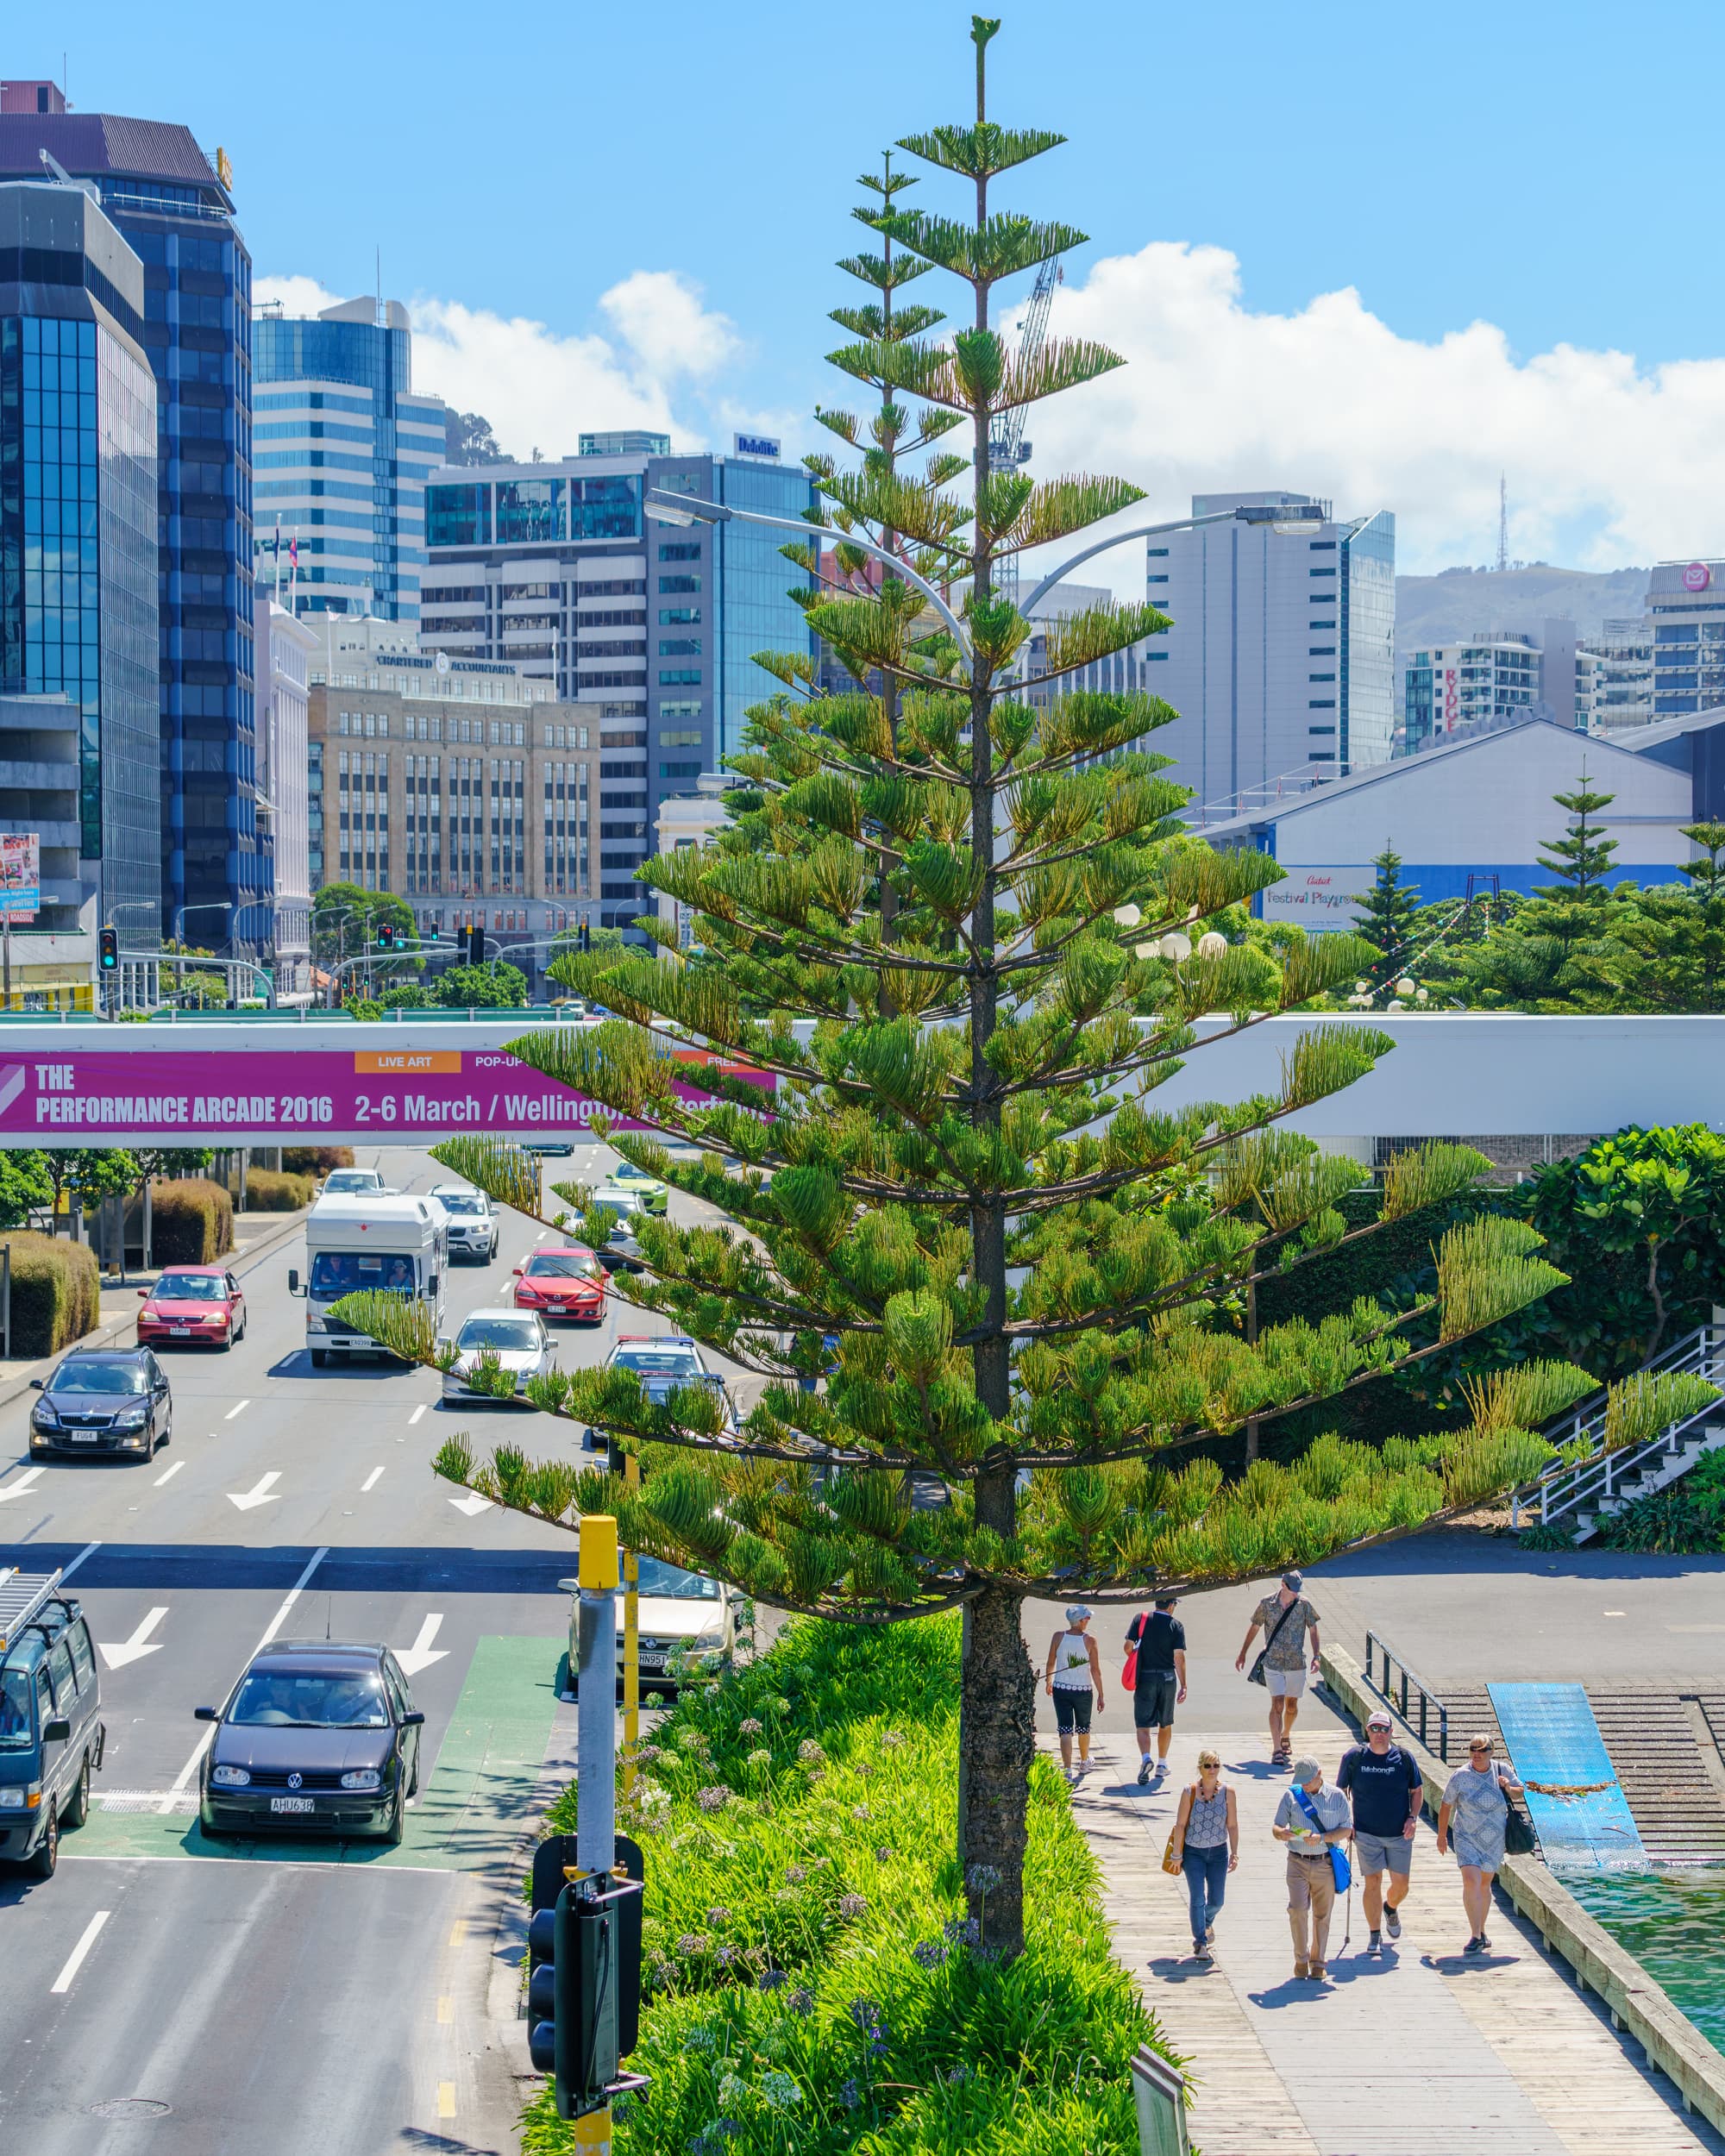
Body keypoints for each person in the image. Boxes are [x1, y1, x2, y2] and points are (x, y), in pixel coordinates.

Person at [1338, 1708, 1424, 1952]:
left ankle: (1390, 1908)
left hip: (1399, 1833)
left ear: (1391, 1732)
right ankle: (1374, 1934)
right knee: (1372, 1882)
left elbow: (1417, 1791)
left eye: (1383, 1729)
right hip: (1366, 1833)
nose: (1379, 1733)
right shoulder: (1354, 1757)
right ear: (1368, 1730)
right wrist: (1346, 1823)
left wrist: (1413, 1818)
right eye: (1374, 1728)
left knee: (1401, 1886)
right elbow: (1340, 1793)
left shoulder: (1404, 1758)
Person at [1437, 1733, 1525, 1956]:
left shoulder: (1501, 1769)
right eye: (1472, 1749)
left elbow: (1519, 1792)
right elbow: (1446, 1804)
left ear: (1491, 1752)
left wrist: (1507, 1787)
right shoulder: (1460, 1775)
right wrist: (1441, 1835)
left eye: (1481, 1749)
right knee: (1471, 1880)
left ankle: (1481, 1930)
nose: (1476, 1754)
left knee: (1484, 1885)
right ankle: (1475, 1935)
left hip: (1494, 1838)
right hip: (1466, 1836)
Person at [1272, 1755, 1352, 1981]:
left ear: (1319, 1774)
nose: (1305, 1785)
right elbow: (1276, 1827)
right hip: (1296, 1860)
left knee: (1322, 1914)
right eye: (1301, 1781)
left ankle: (1318, 1961)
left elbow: (1347, 1829)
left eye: (1308, 1780)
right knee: (1297, 1910)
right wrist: (1282, 1833)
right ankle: (1301, 1958)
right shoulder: (1291, 1795)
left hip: (1325, 1861)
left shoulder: (1337, 1797)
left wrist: (1322, 1838)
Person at [1235, 1570, 1321, 1768]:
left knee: (1291, 1706)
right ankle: (1276, 1750)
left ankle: (1286, 1735)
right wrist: (1243, 1653)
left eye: (1298, 1589)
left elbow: (1313, 1630)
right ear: (1283, 1585)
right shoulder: (1267, 1603)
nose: (1296, 1593)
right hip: (1272, 1663)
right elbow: (1254, 1627)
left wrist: (1317, 1656)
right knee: (1277, 1704)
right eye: (1292, 1589)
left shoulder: (1304, 1605)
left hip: (1296, 1663)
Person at [1169, 1748, 1238, 1960]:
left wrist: (1235, 1853)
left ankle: (1205, 1923)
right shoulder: (1189, 1791)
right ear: (1200, 1768)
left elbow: (1232, 1825)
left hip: (1218, 1852)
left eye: (1216, 1765)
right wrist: (1177, 1855)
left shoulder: (1228, 1792)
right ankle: (1200, 1942)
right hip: (1193, 1853)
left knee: (1217, 1900)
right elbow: (1181, 1825)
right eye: (1207, 1766)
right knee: (1198, 1897)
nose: (1212, 1770)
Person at [1126, 1593, 1187, 1786]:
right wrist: (1184, 1684)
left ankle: (1146, 1758)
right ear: (1170, 1605)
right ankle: (1162, 1763)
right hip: (1167, 1678)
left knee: (1143, 1724)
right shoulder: (1176, 1626)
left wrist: (1138, 1654)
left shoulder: (1140, 1619)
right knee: (1165, 1722)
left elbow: (1128, 1647)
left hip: (1145, 1677)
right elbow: (1179, 1657)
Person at [1044, 1605, 1104, 1782]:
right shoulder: (1090, 1640)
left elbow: (1050, 1662)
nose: (1088, 1621)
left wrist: (1048, 1681)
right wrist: (1101, 1693)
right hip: (1083, 1689)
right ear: (1081, 1621)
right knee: (1084, 1727)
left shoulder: (1058, 1637)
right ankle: (1084, 1762)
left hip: (1061, 1687)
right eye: (1087, 1618)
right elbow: (1095, 1670)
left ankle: (1067, 1770)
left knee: (1065, 1729)